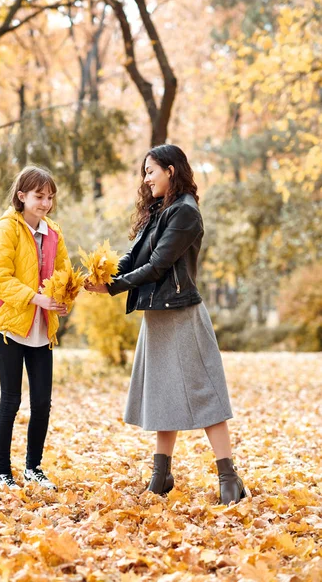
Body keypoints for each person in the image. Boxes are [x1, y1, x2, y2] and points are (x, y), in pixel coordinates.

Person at [85, 145, 247, 505]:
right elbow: (134, 257)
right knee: (162, 395)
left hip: (182, 314)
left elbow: (158, 266)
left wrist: (113, 288)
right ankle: (161, 475)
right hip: (157, 315)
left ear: (171, 170)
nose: (146, 178)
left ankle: (228, 478)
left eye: (150, 171)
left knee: (205, 393)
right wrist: (103, 273)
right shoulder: (160, 210)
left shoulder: (186, 213)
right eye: (144, 172)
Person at [0, 165, 69, 490]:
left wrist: (62, 299)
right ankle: (2, 473)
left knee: (42, 402)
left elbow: (62, 275)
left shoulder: (54, 233)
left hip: (41, 328)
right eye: (38, 196)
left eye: (49, 197)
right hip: (9, 325)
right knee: (11, 400)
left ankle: (33, 468)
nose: (45, 203)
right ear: (22, 196)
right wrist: (35, 298)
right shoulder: (6, 229)